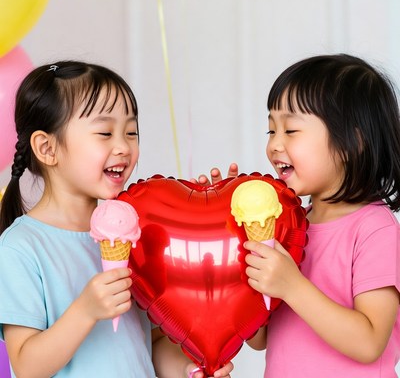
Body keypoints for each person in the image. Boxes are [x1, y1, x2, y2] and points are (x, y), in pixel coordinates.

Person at [0, 61, 233, 378]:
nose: (124, 146)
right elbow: (27, 366)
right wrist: (85, 310)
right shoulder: (20, 248)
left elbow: (150, 341)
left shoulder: (134, 235)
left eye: (131, 132)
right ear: (47, 148)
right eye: (105, 133)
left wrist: (189, 369)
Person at [197, 54, 400, 377]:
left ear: (354, 141)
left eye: (290, 130)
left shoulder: (374, 229)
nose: (275, 145)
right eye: (270, 131)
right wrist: (231, 236)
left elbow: (370, 341)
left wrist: (292, 286)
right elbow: (259, 337)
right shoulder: (289, 226)